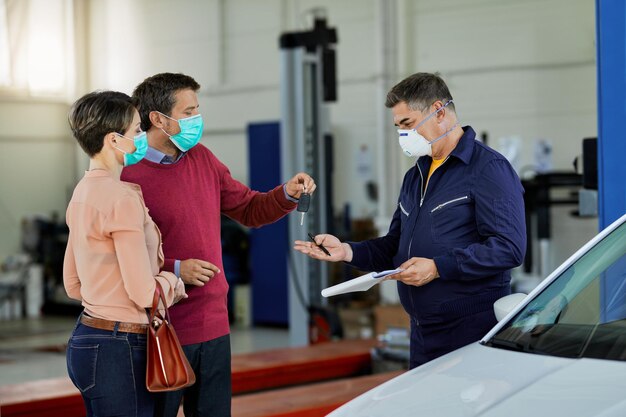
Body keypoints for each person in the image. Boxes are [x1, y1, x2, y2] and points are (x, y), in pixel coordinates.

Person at [295, 72, 526, 369]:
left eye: (408, 124)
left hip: (470, 331)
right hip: (422, 331)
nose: (403, 135)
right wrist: (347, 251)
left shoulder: (488, 169)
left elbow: (508, 248)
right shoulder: (415, 176)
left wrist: (438, 268)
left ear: (440, 111)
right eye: (398, 127)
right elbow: (395, 245)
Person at [120, 72, 316, 417]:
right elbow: (117, 257)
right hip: (159, 325)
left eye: (198, 109)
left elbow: (250, 209)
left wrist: (286, 193)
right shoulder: (126, 176)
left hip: (212, 321)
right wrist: (176, 268)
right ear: (157, 119)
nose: (197, 119)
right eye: (188, 111)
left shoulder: (203, 159)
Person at [63, 90, 187, 416]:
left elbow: (73, 284)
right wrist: (173, 282)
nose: (142, 137)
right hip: (119, 347)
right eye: (135, 131)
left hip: (86, 340)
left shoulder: (82, 192)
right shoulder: (121, 198)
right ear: (113, 140)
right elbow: (144, 293)